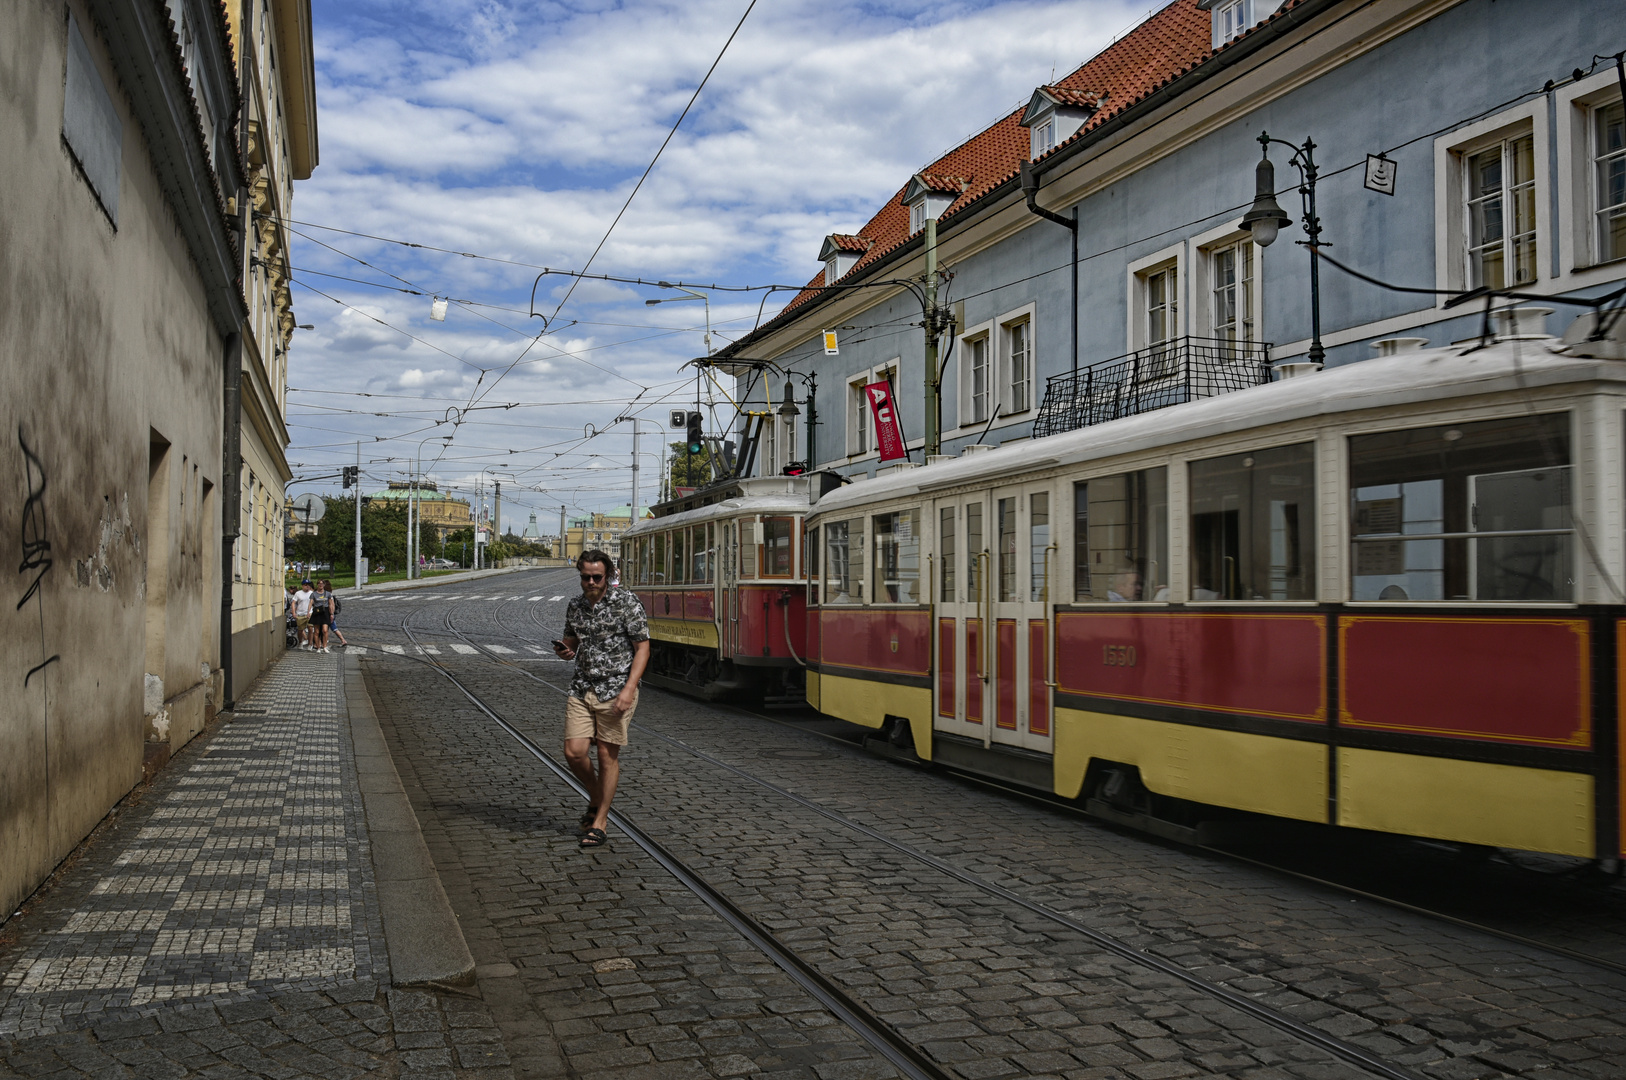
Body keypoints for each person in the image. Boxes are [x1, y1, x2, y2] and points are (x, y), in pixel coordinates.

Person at [553, 550, 649, 849]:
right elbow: (571, 640)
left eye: (597, 577)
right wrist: (564, 650)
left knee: (607, 756)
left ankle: (600, 821)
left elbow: (643, 648)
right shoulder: (576, 606)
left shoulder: (626, 603)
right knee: (574, 752)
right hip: (582, 687)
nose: (591, 582)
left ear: (609, 575)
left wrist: (629, 689)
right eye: (586, 577)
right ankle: (597, 798)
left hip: (616, 687)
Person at [310, 579, 332, 652]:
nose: (320, 585)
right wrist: (308, 612)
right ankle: (318, 647)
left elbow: (330, 604)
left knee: (325, 630)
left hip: (325, 612)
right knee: (316, 631)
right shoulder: (313, 594)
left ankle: (325, 646)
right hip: (317, 612)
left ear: (324, 585)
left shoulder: (328, 594)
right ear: (317, 585)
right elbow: (310, 603)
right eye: (319, 584)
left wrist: (331, 613)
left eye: (322, 584)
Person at [293, 579, 315, 649]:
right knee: (300, 630)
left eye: (309, 585)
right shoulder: (298, 593)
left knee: (310, 629)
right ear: (302, 586)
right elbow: (293, 603)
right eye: (306, 585)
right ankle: (300, 642)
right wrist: (294, 612)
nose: (307, 586)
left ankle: (310, 644)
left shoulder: (312, 593)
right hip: (300, 614)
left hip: (310, 613)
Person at [325, 580, 347, 647]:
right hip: (332, 614)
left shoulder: (327, 595)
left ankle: (342, 640)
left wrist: (331, 614)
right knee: (333, 628)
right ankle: (342, 640)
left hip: (328, 614)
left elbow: (330, 606)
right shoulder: (329, 593)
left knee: (327, 628)